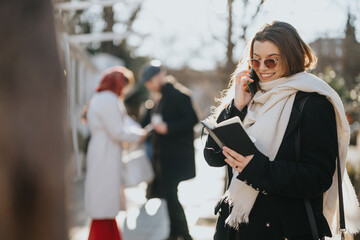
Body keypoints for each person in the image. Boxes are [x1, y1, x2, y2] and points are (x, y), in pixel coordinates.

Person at [204, 21, 360, 240]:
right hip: (234, 228)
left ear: (291, 57)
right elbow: (212, 156)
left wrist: (256, 168)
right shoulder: (248, 97)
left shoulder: (314, 103)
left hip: (282, 230)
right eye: (256, 61)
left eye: (272, 60)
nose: (263, 68)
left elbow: (318, 177)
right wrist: (236, 107)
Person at [83, 66, 147, 240]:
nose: (125, 89)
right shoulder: (108, 99)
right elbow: (117, 131)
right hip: (106, 155)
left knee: (104, 202)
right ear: (117, 83)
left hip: (103, 152)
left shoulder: (100, 98)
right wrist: (140, 136)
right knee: (105, 202)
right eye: (124, 84)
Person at [141, 60, 198, 240]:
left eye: (150, 81)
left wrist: (168, 128)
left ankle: (184, 234)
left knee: (171, 197)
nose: (149, 85)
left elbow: (192, 119)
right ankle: (174, 233)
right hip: (164, 156)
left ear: (160, 76)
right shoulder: (160, 98)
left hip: (176, 156)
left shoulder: (179, 95)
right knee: (168, 195)